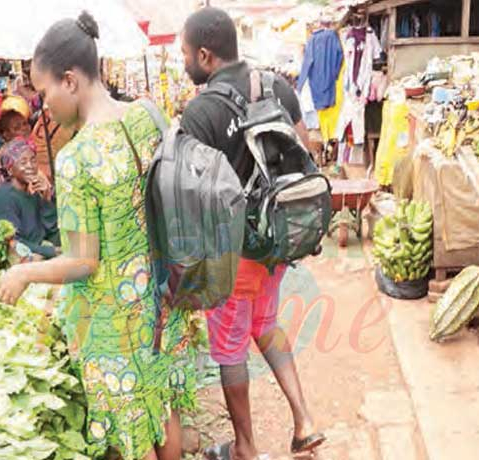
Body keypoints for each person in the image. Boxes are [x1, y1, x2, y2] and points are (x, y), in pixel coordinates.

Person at [0, 12, 197, 460]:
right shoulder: (148, 116)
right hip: (163, 298)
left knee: (132, 428)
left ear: (70, 81)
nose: (43, 106)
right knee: (163, 407)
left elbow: (84, 261)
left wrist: (26, 274)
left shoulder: (76, 158)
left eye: (44, 91)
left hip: (112, 321)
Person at [178, 7, 324, 460]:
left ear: (204, 55)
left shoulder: (201, 111)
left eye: (185, 53)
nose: (183, 61)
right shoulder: (276, 84)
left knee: (228, 349)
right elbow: (306, 149)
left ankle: (244, 448)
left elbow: (191, 195)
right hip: (278, 242)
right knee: (264, 325)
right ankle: (304, 421)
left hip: (232, 252)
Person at [0, 138, 59, 260]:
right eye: (23, 162)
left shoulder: (33, 191)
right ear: (10, 169)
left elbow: (51, 230)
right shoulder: (4, 198)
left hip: (41, 249)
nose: (30, 166)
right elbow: (13, 242)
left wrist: (47, 199)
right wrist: (51, 251)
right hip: (23, 259)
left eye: (33, 160)